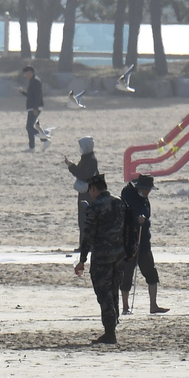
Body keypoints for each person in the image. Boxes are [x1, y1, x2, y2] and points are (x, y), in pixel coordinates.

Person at [74, 174, 134, 344]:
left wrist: (82, 260)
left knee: (103, 293)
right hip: (119, 254)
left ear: (93, 189)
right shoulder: (120, 203)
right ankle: (112, 326)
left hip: (102, 257)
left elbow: (88, 236)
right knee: (113, 290)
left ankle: (109, 332)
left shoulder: (95, 208)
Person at [119, 174, 169, 315]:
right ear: (139, 186)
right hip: (129, 242)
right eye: (145, 188)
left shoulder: (145, 200)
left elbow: (147, 216)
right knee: (127, 274)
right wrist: (136, 219)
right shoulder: (128, 196)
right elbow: (124, 217)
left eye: (148, 189)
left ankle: (153, 305)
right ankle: (125, 307)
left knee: (151, 274)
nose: (146, 191)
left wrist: (144, 221)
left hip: (144, 242)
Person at [65, 137, 99, 250]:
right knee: (83, 220)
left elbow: (83, 175)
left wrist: (71, 166)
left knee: (86, 220)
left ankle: (88, 246)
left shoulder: (91, 161)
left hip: (89, 194)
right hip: (86, 192)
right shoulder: (86, 158)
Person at [21, 65, 44, 151]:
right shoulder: (32, 81)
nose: (26, 76)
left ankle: (45, 139)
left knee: (29, 127)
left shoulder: (36, 81)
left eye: (26, 74)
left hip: (35, 107)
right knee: (29, 127)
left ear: (30, 73)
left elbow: (38, 96)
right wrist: (22, 92)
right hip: (32, 107)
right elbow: (30, 96)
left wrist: (35, 108)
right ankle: (32, 147)